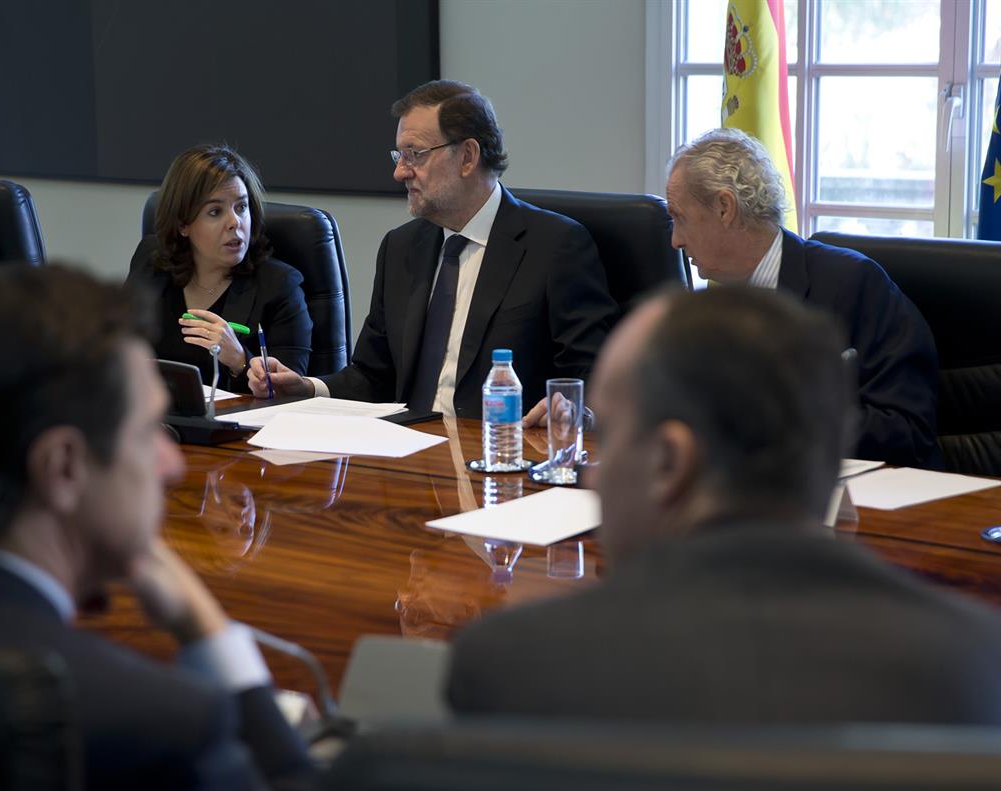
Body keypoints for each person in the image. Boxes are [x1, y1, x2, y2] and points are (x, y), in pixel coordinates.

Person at [0, 265, 312, 791]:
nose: (171, 465)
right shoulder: (164, 728)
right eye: (147, 432)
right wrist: (205, 628)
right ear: (64, 467)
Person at [447, 286, 1001, 724]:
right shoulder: (978, 665)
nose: (592, 472)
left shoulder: (514, 664)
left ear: (670, 462)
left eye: (608, 437)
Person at [249, 80, 618, 417]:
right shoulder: (401, 247)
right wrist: (309, 387)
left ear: (468, 157)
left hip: (498, 456)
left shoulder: (554, 246)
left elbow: (597, 378)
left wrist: (569, 411)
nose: (400, 172)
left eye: (415, 154)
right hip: (407, 459)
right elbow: (373, 375)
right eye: (399, 156)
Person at [665, 128, 940, 468]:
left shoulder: (854, 285)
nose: (675, 240)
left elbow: (909, 433)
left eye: (679, 218)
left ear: (725, 208)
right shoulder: (711, 312)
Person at [129, 144, 312, 394]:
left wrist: (240, 360)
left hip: (237, 429)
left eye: (241, 207)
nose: (234, 222)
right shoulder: (152, 261)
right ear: (183, 224)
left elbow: (290, 391)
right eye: (215, 212)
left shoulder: (279, 285)